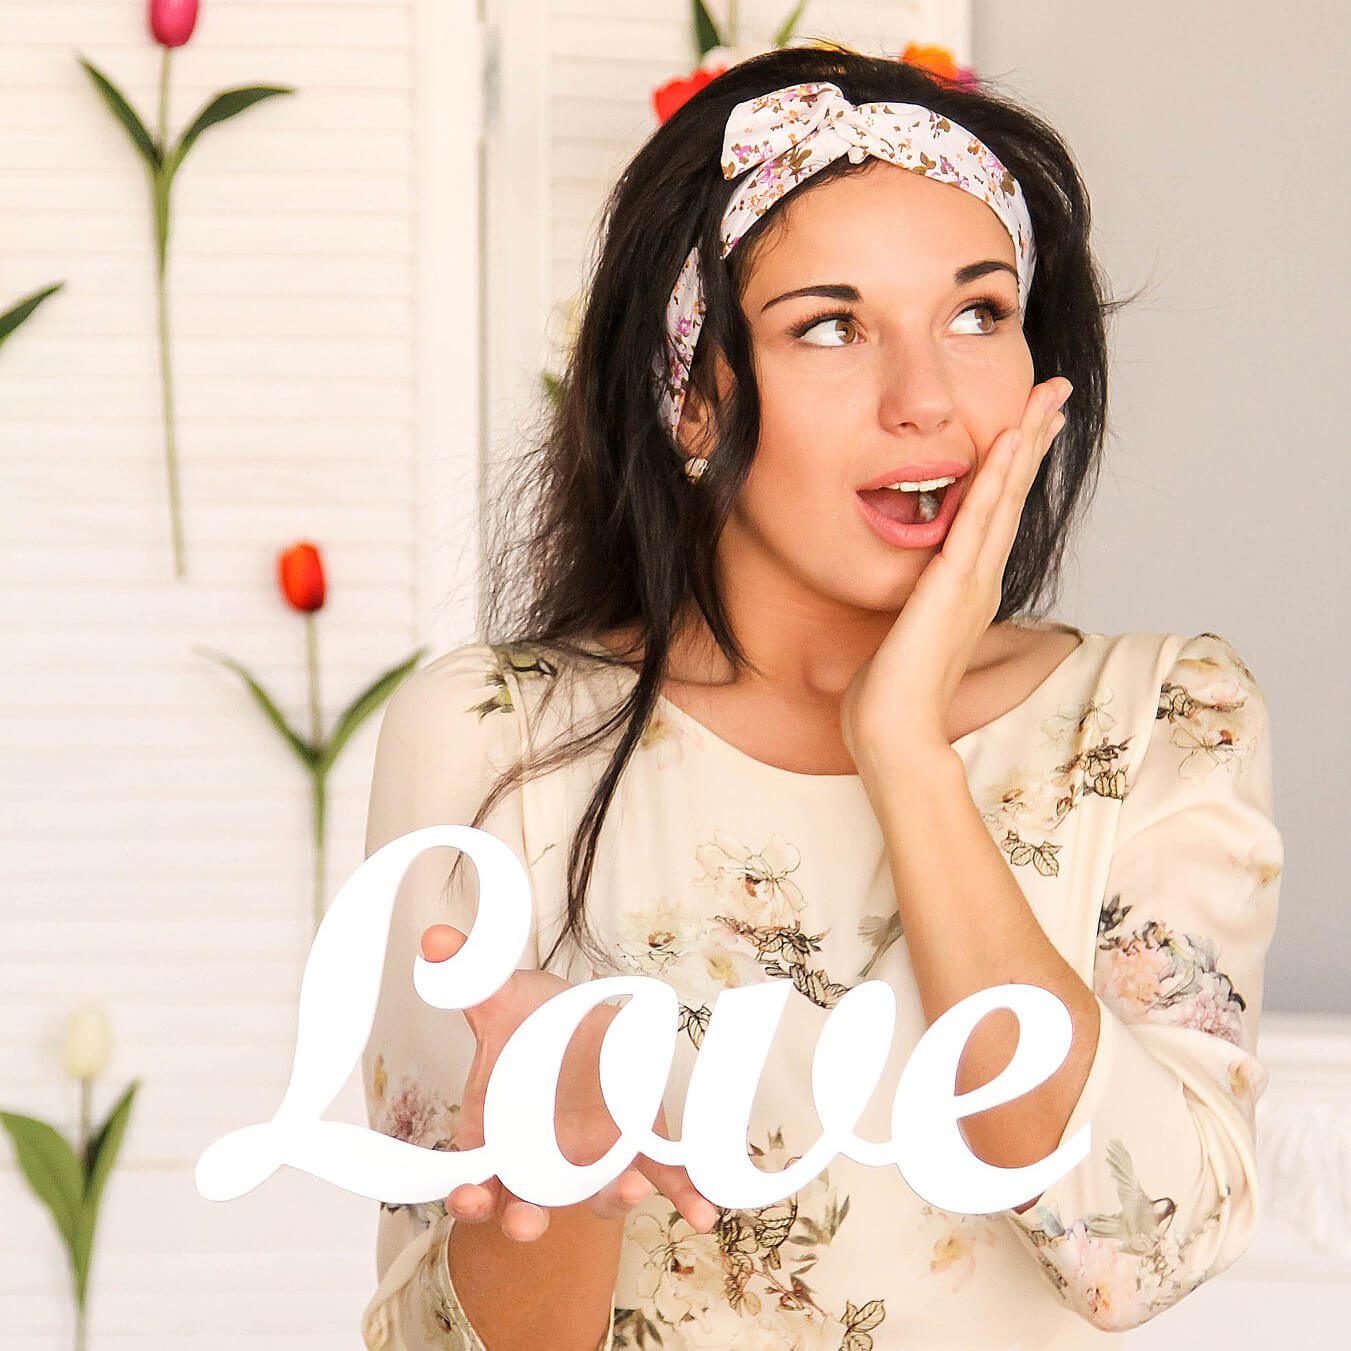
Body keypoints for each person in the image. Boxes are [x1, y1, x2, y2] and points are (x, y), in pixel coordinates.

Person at [358, 42, 1283, 1351]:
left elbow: (1138, 1253)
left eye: (978, 314)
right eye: (831, 327)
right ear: (690, 398)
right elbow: (425, 1328)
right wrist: (560, 1175)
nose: (927, 402)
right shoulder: (493, 739)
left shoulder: (1160, 719)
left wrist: (905, 750)